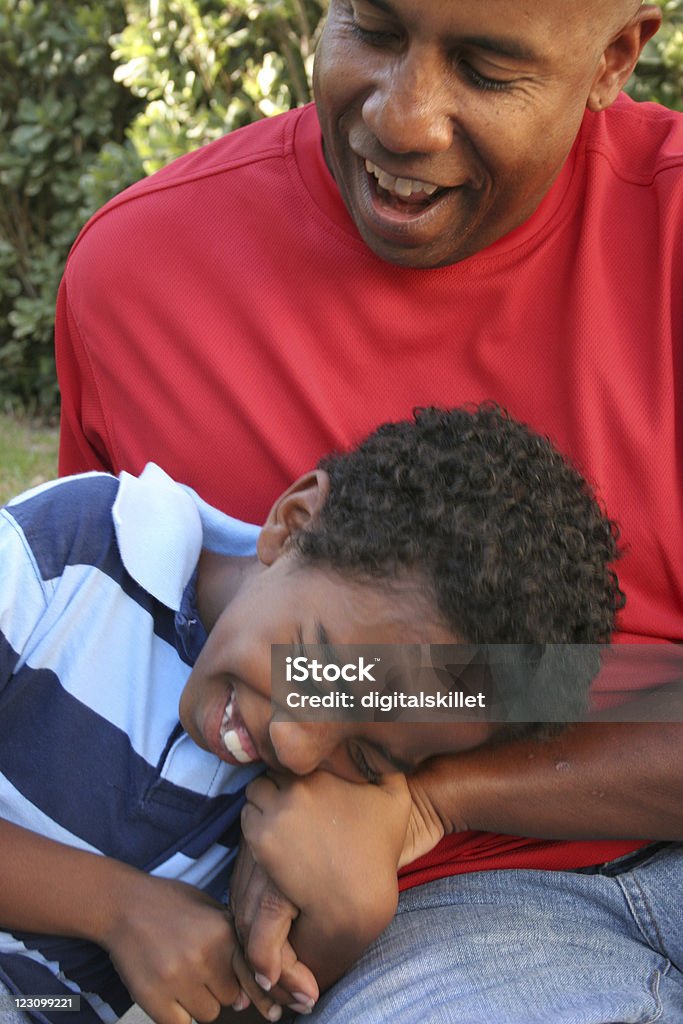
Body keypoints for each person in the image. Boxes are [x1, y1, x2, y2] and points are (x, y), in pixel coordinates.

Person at [54, 0, 683, 1020]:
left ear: (613, 55)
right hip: (457, 916)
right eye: (373, 30)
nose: (402, 118)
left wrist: (424, 798)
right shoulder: (140, 283)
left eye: (484, 69)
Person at [0, 406, 622, 1024]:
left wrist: (338, 932)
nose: (297, 748)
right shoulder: (71, 552)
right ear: (294, 524)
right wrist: (117, 909)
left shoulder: (302, 823)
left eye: (368, 755)